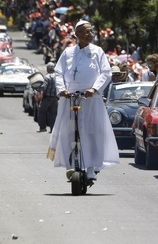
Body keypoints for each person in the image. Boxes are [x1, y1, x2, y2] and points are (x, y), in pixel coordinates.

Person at [46, 20, 119, 181]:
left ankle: (92, 167)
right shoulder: (68, 52)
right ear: (77, 34)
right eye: (86, 31)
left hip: (91, 99)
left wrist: (94, 89)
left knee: (93, 132)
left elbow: (106, 73)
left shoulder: (98, 51)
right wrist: (62, 89)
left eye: (91, 31)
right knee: (69, 132)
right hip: (70, 98)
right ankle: (72, 165)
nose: (90, 34)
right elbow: (58, 73)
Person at [37, 62, 58, 133]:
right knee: (53, 114)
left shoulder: (48, 77)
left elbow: (44, 87)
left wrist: (39, 89)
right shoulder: (57, 76)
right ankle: (53, 129)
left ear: (48, 68)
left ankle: (42, 127)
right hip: (55, 98)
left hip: (47, 98)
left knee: (42, 112)